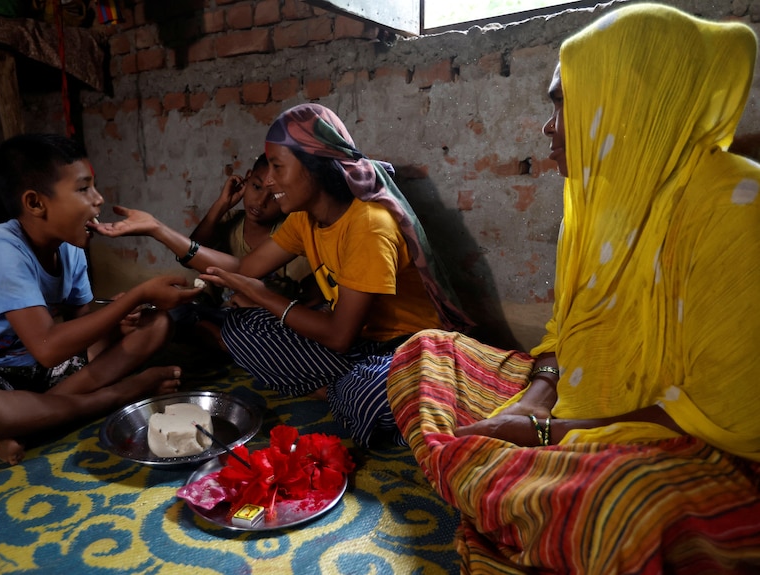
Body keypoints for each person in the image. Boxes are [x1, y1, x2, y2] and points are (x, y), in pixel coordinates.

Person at [387, 4, 760, 572]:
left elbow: (728, 414)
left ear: (627, 99)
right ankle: (510, 486)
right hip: (574, 402)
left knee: (625, 512)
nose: (548, 126)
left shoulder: (738, 207)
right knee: (426, 352)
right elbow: (566, 333)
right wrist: (537, 399)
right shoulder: (594, 207)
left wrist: (545, 431)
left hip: (688, 440)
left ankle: (494, 481)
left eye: (562, 101)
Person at [91, 103, 473, 447]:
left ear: (314, 166)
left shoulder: (368, 225)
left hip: (408, 350)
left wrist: (259, 293)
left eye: (277, 167)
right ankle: (342, 388)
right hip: (361, 348)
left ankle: (354, 390)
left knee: (363, 392)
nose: (269, 182)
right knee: (242, 328)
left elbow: (339, 336)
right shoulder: (305, 219)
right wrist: (158, 228)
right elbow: (243, 268)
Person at [0, 133, 199, 466]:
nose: (98, 199)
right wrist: (137, 294)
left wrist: (123, 314)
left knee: (155, 324)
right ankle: (119, 396)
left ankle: (24, 423)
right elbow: (48, 348)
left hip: (33, 372)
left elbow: (80, 327)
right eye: (83, 188)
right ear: (34, 203)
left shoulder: (70, 248)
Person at [171, 154, 312, 348]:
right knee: (174, 310)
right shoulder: (228, 221)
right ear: (247, 178)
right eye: (256, 186)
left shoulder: (291, 233)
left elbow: (303, 298)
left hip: (265, 316)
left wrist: (256, 303)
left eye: (274, 196)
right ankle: (223, 340)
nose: (261, 202)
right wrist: (221, 204)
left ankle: (224, 342)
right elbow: (188, 256)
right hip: (223, 313)